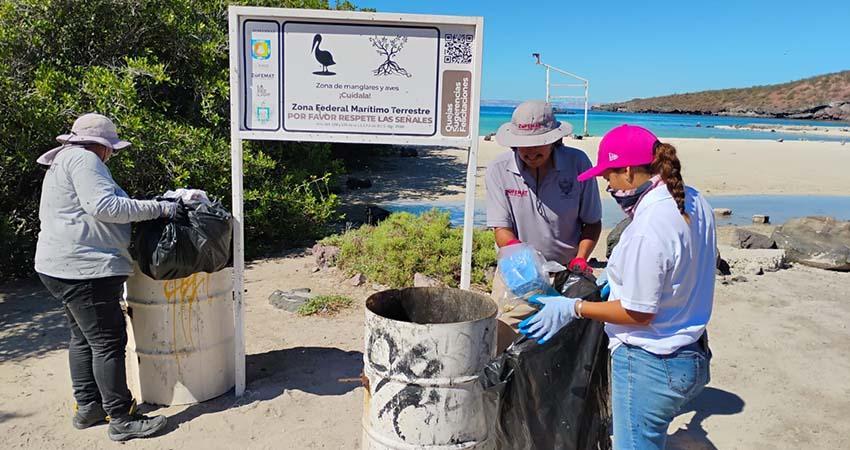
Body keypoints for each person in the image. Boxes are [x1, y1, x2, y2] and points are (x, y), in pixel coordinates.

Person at [518, 124, 716, 450]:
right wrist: (618, 278)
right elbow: (681, 267)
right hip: (691, 353)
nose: (607, 185)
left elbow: (638, 313)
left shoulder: (647, 229)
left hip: (650, 363)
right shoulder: (693, 201)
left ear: (627, 171)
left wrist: (573, 308)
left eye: (608, 177)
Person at [35, 113, 183, 441]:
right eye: (111, 148)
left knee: (83, 338)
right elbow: (106, 207)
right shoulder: (85, 160)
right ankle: (121, 418)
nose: (112, 154)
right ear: (101, 146)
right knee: (107, 341)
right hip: (85, 268)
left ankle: (88, 408)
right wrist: (160, 208)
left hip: (58, 266)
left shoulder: (63, 161)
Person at [485, 100, 602, 350]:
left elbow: (592, 222)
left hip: (568, 273)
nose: (530, 153)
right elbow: (500, 229)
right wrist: (526, 264)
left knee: (563, 350)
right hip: (516, 275)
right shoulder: (498, 170)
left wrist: (581, 257)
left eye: (539, 145)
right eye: (524, 147)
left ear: (555, 140)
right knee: (501, 342)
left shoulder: (578, 164)